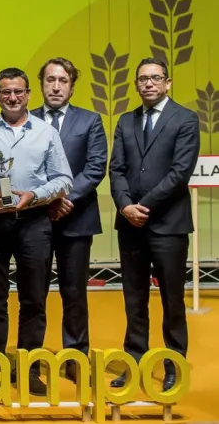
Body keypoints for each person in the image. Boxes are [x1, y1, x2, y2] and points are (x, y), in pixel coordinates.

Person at [0, 67, 72, 396]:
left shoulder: (45, 132)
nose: (12, 97)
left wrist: (34, 196)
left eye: (19, 92)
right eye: (6, 92)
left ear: (28, 95)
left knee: (34, 299)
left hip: (34, 223)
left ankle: (29, 368)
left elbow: (63, 179)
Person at [108, 57, 199, 391]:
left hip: (168, 225)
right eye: (142, 79)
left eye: (155, 78)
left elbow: (180, 172)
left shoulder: (186, 119)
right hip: (130, 225)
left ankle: (174, 362)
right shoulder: (125, 121)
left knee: (172, 299)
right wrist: (124, 206)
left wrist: (141, 206)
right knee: (134, 299)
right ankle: (133, 361)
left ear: (168, 82)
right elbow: (115, 169)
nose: (148, 84)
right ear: (136, 84)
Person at [31, 58, 107, 381]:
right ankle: (31, 359)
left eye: (63, 80)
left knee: (73, 292)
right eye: (50, 80)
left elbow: (95, 168)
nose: (56, 86)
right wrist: (43, 200)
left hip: (75, 220)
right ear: (42, 84)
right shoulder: (26, 120)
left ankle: (76, 357)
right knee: (32, 293)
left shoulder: (90, 121)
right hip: (33, 221)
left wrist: (63, 199)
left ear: (72, 86)